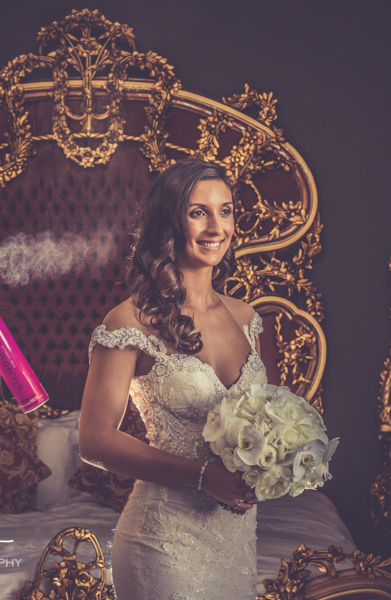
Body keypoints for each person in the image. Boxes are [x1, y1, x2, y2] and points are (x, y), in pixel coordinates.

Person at [79, 160, 267, 599]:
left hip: (236, 541)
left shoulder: (249, 319)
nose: (215, 226)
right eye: (198, 212)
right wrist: (203, 476)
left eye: (226, 210)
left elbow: (269, 419)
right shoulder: (128, 322)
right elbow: (94, 441)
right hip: (162, 542)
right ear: (169, 220)